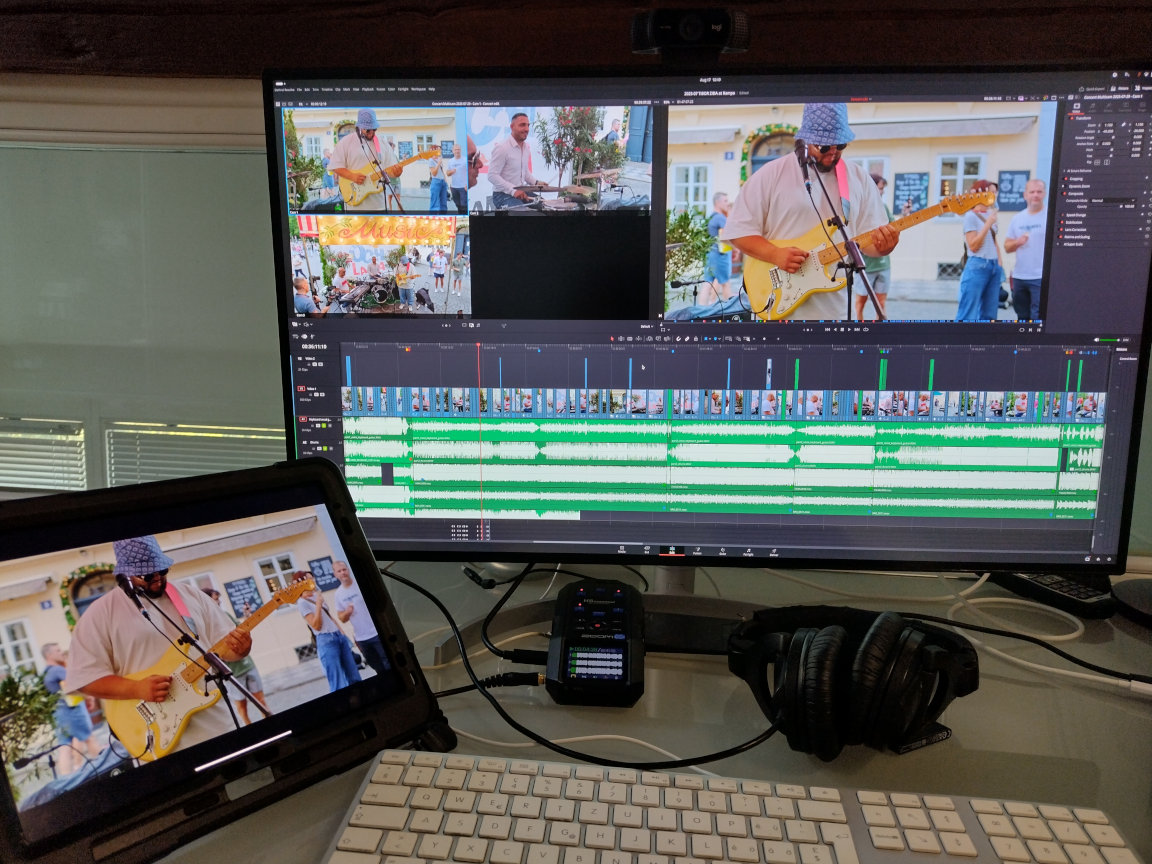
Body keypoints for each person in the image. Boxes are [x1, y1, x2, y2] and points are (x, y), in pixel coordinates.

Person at [65, 536, 254, 756]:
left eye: (162, 571)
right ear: (125, 575)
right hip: (158, 739)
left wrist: (241, 649)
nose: (157, 579)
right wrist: (136, 689)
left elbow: (227, 649)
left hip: (219, 725)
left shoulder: (190, 595)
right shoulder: (100, 614)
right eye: (147, 575)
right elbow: (84, 679)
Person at [725, 103, 899, 321]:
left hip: (836, 312)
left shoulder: (859, 178)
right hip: (779, 310)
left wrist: (884, 246)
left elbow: (870, 244)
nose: (832, 154)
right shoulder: (770, 175)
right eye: (824, 147)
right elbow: (738, 232)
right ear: (804, 140)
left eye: (840, 146)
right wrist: (775, 254)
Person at [201, 588, 270, 725]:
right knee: (242, 708)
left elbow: (242, 631)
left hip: (247, 665)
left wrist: (247, 617)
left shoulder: (226, 615)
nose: (219, 602)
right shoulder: (205, 624)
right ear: (207, 602)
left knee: (261, 701)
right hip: (231, 673)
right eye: (216, 599)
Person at [40, 643, 100, 774]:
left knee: (64, 747)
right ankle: (104, 765)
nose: (61, 652)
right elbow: (74, 685)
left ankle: (66, 778)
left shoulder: (45, 673)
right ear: (49, 655)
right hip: (71, 711)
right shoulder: (57, 670)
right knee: (89, 737)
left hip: (57, 714)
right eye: (58, 650)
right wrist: (89, 697)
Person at [327, 108, 403, 211]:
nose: (371, 133)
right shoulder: (345, 142)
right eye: (367, 130)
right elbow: (335, 166)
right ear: (359, 127)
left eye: (374, 129)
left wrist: (397, 173)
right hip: (354, 206)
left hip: (379, 204)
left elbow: (391, 170)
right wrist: (352, 176)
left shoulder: (383, 143)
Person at [296, 575, 361, 692]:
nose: (313, 581)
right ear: (302, 583)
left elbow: (329, 617)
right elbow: (316, 625)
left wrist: (342, 633)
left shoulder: (316, 595)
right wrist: (318, 605)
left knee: (354, 675)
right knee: (338, 682)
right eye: (309, 579)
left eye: (313, 578)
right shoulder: (302, 602)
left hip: (337, 635)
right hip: (326, 639)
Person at [331, 561, 391, 679]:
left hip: (376, 632)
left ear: (348, 570)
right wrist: (347, 612)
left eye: (344, 569)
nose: (343, 573)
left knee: (389, 663)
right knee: (377, 667)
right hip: (362, 638)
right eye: (339, 571)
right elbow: (341, 618)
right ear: (335, 575)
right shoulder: (338, 594)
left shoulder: (360, 585)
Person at [956, 179, 1004, 321]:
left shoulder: (991, 214)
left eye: (995, 192)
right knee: (968, 312)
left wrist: (999, 264)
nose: (994, 195)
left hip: (993, 266)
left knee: (990, 314)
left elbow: (994, 241)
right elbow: (973, 245)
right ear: (981, 193)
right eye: (991, 192)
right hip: (978, 265)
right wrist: (987, 224)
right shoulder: (971, 216)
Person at [1004, 179, 1047, 321]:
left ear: (1044, 194)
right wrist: (1018, 242)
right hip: (1020, 276)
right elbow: (1007, 247)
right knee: (1022, 317)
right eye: (1032, 192)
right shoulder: (1018, 218)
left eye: (1039, 192)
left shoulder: (1049, 216)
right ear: (1025, 195)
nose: (1035, 195)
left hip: (1041, 276)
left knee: (1037, 316)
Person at [856, 173, 893, 321]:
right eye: (880, 188)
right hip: (864, 266)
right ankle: (860, 331)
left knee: (881, 303)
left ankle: (879, 331)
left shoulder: (884, 208)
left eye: (883, 189)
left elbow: (894, 227)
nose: (881, 192)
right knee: (860, 303)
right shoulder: (859, 208)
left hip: (883, 265)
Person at [488, 112, 540, 209]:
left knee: (546, 206)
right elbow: (492, 175)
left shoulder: (525, 148)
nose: (527, 129)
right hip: (502, 195)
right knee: (520, 212)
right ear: (512, 127)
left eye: (528, 125)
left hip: (521, 190)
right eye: (522, 125)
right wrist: (513, 191)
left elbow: (525, 172)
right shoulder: (502, 148)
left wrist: (537, 183)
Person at [703, 192, 733, 302]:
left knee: (708, 283)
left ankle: (702, 307)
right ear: (717, 202)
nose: (727, 203)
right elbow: (728, 235)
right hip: (720, 255)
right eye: (725, 201)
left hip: (710, 254)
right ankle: (730, 308)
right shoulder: (720, 218)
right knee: (726, 283)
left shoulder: (711, 217)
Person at [446, 144, 468, 212]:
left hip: (463, 187)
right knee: (458, 205)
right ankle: (461, 215)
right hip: (454, 187)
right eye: (455, 150)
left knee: (464, 205)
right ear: (453, 151)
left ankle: (465, 216)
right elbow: (447, 173)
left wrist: (468, 184)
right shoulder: (450, 161)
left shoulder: (465, 160)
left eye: (458, 149)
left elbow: (470, 172)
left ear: (460, 150)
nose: (457, 151)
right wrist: (451, 171)